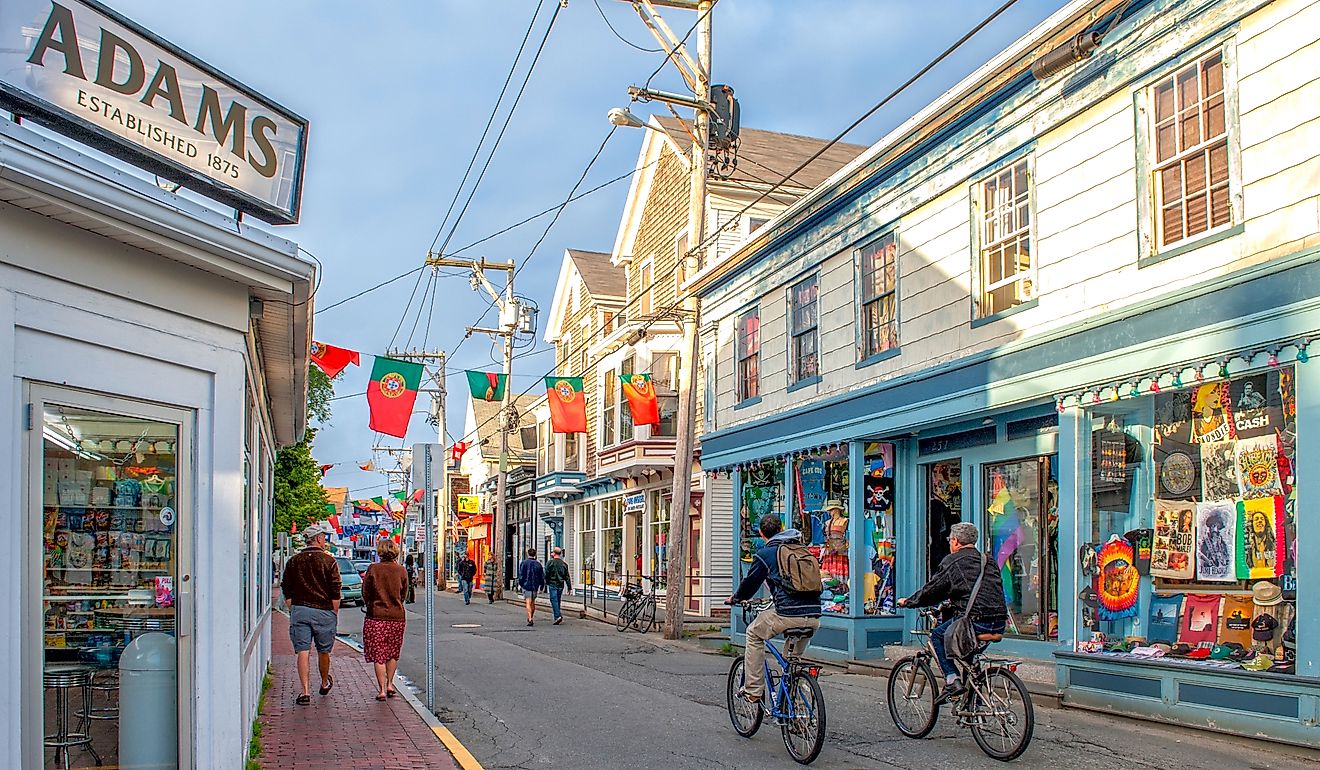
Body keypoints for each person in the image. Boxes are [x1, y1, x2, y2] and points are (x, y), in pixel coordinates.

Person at [897, 522, 1008, 702]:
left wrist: (909, 602)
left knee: (937, 636)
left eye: (950, 540)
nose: (950, 543)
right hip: (999, 621)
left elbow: (933, 590)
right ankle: (974, 702)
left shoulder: (952, 561)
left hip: (975, 621)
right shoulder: (988, 560)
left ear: (955, 541)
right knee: (968, 654)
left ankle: (951, 679)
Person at [724, 515, 822, 704]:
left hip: (787, 613)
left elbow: (751, 583)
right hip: (814, 615)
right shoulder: (801, 549)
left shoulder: (766, 553)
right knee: (791, 662)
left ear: (761, 533)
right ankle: (797, 707)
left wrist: (736, 598)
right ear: (782, 528)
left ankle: (753, 690)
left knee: (753, 633)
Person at [281, 524, 341, 705]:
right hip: (324, 611)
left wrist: (293, 606)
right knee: (324, 651)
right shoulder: (329, 561)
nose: (324, 540)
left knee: (303, 650)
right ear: (318, 539)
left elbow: (286, 586)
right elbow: (335, 588)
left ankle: (305, 691)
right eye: (323, 537)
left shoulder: (294, 561)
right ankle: (324, 682)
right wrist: (334, 610)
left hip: (300, 610)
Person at [362, 538, 409, 701]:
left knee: (379, 653)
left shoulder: (373, 569)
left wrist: (370, 602)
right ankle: (390, 684)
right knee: (392, 652)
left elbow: (366, 592)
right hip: (397, 616)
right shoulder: (401, 570)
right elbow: (404, 594)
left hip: (376, 616)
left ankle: (381, 689)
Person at [517, 548, 546, 626]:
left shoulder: (524, 563)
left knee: (528, 602)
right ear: (535, 554)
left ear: (528, 554)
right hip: (535, 585)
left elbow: (521, 575)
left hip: (526, 585)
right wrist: (542, 585)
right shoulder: (538, 564)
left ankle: (530, 618)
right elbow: (541, 576)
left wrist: (520, 583)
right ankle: (531, 616)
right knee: (533, 602)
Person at [545, 547, 572, 625]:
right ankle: (557, 615)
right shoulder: (564, 564)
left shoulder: (550, 563)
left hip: (552, 583)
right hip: (560, 584)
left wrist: (545, 583)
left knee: (553, 600)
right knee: (558, 599)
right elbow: (567, 576)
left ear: (554, 553)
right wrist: (569, 587)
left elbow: (546, 574)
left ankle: (557, 616)